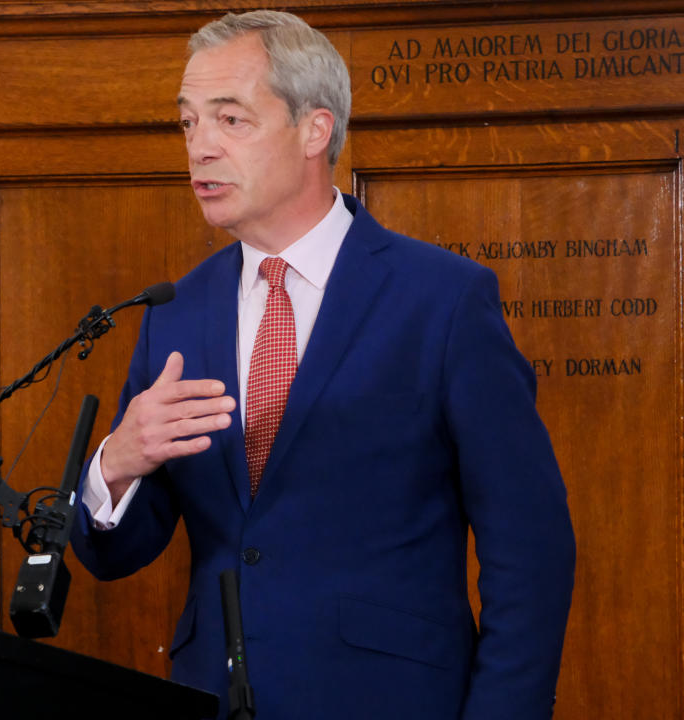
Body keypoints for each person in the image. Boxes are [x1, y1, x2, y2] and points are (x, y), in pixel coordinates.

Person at [70, 10, 575, 719]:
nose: (201, 149)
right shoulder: (176, 311)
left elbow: (531, 549)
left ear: (315, 128)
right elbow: (118, 553)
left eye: (230, 120)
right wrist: (116, 465)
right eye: (188, 123)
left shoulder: (444, 301)